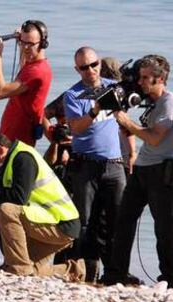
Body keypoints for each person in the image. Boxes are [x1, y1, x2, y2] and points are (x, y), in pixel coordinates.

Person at [0, 130, 84, 280]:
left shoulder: (23, 158)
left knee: (7, 210)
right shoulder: (9, 161)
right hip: (46, 221)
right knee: (31, 268)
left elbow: (19, 198)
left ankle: (17, 268)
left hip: (61, 224)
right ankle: (74, 271)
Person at [102, 55, 173, 287]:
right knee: (123, 220)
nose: (140, 83)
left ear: (160, 79)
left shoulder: (168, 103)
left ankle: (169, 277)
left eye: (145, 78)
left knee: (164, 226)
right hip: (142, 168)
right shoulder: (149, 100)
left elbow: (154, 138)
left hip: (161, 172)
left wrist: (128, 123)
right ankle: (116, 273)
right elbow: (141, 132)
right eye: (139, 77)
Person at [63, 47, 126, 282]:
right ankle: (88, 271)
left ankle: (115, 272)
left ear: (99, 63)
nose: (90, 70)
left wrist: (131, 153)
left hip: (114, 163)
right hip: (86, 164)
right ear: (77, 70)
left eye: (94, 64)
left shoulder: (113, 86)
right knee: (84, 222)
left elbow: (124, 120)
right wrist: (95, 110)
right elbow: (76, 128)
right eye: (84, 67)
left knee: (117, 219)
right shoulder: (73, 95)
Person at [0, 20, 52, 146]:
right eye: (23, 43)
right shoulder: (33, 64)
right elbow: (25, 66)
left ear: (43, 44)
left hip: (18, 140)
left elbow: (0, 92)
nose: (25, 48)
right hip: (11, 136)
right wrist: (20, 42)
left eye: (30, 44)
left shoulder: (37, 71)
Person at [101, 57, 137, 176]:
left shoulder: (104, 92)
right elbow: (125, 127)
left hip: (108, 155)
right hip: (119, 156)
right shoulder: (120, 93)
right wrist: (133, 153)